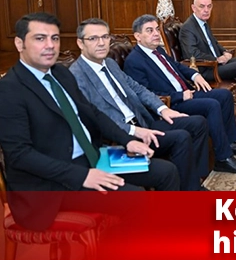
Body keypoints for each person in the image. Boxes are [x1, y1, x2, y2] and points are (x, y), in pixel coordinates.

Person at [0, 13, 178, 260]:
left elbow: (92, 113)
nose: (49, 45)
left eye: (54, 38)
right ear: (19, 43)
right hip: (50, 184)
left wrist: (128, 139)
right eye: (40, 38)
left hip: (91, 159)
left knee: (166, 172)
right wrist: (82, 175)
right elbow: (20, 156)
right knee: (134, 198)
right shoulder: (9, 90)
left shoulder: (60, 73)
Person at [70, 18, 210, 191]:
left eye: (105, 37)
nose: (101, 43)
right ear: (80, 43)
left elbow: (138, 88)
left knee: (193, 126)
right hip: (118, 138)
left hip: (142, 121)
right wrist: (133, 131)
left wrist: (163, 109)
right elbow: (94, 119)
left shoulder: (110, 64)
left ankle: (192, 187)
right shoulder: (76, 76)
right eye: (93, 38)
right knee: (177, 146)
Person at [123, 14, 236, 175]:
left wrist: (194, 75)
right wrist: (180, 96)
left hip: (187, 91)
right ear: (137, 36)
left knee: (224, 96)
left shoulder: (158, 50)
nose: (156, 34)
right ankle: (223, 158)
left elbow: (177, 66)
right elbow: (146, 94)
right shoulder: (134, 61)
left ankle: (229, 143)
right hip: (171, 103)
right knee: (212, 105)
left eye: (156, 29)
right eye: (150, 31)